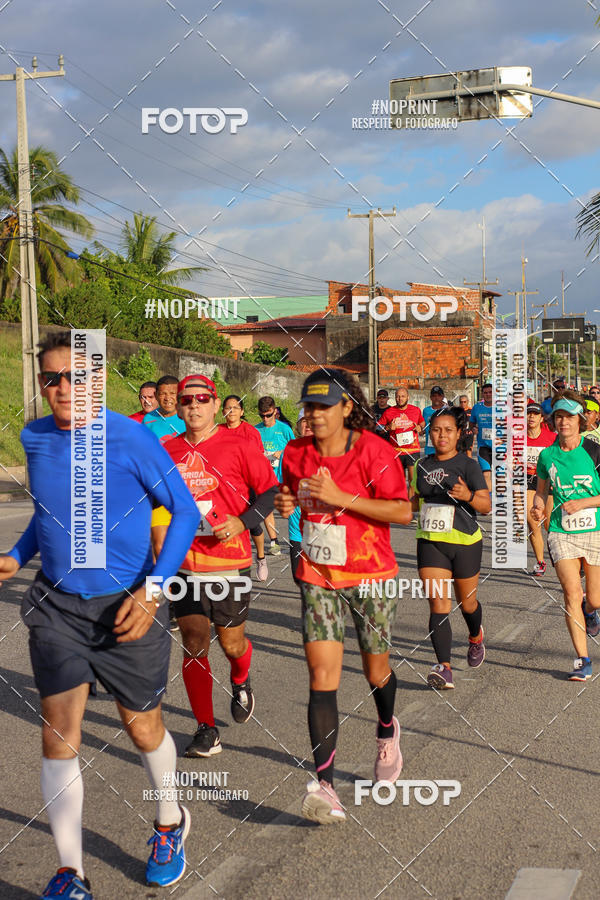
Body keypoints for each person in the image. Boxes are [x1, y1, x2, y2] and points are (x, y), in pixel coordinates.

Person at [0, 332, 200, 897]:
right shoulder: (35, 437)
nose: (63, 387)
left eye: (75, 375)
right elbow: (49, 515)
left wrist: (154, 590)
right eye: (51, 378)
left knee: (143, 727)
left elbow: (182, 512)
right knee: (58, 734)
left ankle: (168, 822)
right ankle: (72, 871)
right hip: (58, 607)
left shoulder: (131, 438)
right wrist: (17, 557)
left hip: (129, 604)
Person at [276, 368, 412, 824]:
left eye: (323, 406)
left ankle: (387, 729)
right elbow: (292, 493)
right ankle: (327, 786)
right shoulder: (294, 452)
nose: (313, 415)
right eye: (308, 407)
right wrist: (286, 503)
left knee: (376, 670)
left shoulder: (374, 451)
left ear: (346, 407)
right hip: (318, 576)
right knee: (321, 674)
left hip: (371, 574)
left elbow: (402, 511)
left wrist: (343, 497)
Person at [161, 375, 278, 757]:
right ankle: (206, 730)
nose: (193, 406)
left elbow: (269, 492)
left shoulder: (240, 444)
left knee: (230, 642)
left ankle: (241, 678)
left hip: (229, 563)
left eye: (201, 399)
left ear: (214, 405)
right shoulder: (167, 449)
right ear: (179, 407)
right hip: (184, 565)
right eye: (186, 400)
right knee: (194, 642)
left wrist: (241, 522)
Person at [411, 406, 491, 690]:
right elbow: (411, 501)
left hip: (465, 543)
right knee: (438, 604)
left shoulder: (469, 465)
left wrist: (467, 495)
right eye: (435, 430)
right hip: (431, 542)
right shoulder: (421, 465)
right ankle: (444, 668)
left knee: (467, 603)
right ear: (429, 433)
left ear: (458, 434)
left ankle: (474, 636)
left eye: (447, 430)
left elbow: (485, 506)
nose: (441, 435)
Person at [532, 392, 600, 680]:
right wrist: (537, 507)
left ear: (580, 420)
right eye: (558, 416)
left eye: (569, 417)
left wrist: (584, 503)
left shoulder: (595, 452)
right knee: (571, 593)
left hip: (595, 529)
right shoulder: (547, 455)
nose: (563, 422)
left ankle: (591, 611)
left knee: (594, 598)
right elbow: (541, 491)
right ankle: (582, 659)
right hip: (561, 531)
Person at [221, 394, 269, 581]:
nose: (231, 411)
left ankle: (261, 558)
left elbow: (258, 461)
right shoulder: (217, 430)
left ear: (241, 412)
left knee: (252, 522)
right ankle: (229, 560)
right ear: (222, 411)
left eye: (235, 408)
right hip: (225, 485)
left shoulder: (250, 432)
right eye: (227, 408)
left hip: (247, 484)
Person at [256, 395, 295, 555]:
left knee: (291, 508)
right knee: (267, 509)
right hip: (265, 477)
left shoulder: (284, 429)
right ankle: (274, 542)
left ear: (275, 412)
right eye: (262, 415)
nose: (265, 419)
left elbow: (294, 448)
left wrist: (282, 452)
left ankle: (297, 539)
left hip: (283, 476)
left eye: (268, 415)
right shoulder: (256, 430)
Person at [525, 402, 555, 576]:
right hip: (529, 481)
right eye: (529, 414)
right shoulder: (517, 438)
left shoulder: (551, 438)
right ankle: (540, 562)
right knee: (532, 520)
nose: (531, 417)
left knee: (549, 524)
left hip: (548, 481)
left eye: (535, 414)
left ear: (541, 418)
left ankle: (558, 556)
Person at [377, 385, 425, 489]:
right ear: (395, 398)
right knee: (399, 483)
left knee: (413, 482)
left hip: (413, 450)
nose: (400, 399)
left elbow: (422, 423)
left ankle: (412, 505)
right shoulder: (389, 412)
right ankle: (402, 504)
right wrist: (388, 427)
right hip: (396, 451)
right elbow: (378, 427)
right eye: (398, 397)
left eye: (403, 396)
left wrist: (420, 428)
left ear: (408, 397)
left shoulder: (415, 410)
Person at [288, 412, 313, 582]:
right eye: (304, 421)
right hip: (297, 530)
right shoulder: (290, 452)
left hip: (325, 530)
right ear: (298, 426)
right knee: (299, 579)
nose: (308, 425)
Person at [143, 375, 186, 443]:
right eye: (163, 394)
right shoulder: (148, 419)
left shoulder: (187, 418)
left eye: (172, 393)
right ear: (156, 395)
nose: (167, 398)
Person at [469, 383, 493, 465]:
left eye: (490, 392)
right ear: (482, 394)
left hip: (500, 447)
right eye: (485, 393)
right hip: (483, 446)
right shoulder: (476, 407)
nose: (488, 394)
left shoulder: (502, 407)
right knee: (485, 474)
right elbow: (471, 423)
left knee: (500, 476)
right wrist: (473, 429)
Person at [422, 386, 446, 456]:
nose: (436, 398)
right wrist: (421, 430)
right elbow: (423, 426)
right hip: (430, 449)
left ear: (443, 397)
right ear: (430, 398)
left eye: (439, 395)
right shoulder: (426, 411)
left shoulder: (447, 410)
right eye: (434, 396)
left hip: (444, 448)